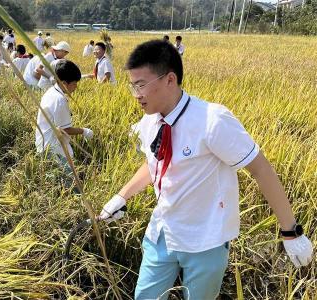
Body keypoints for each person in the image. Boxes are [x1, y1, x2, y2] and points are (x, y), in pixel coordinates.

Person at [98, 40, 313, 300]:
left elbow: (260, 169)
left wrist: (290, 231)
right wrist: (121, 197)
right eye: (133, 85)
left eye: (141, 84)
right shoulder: (150, 121)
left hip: (206, 239)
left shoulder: (212, 120)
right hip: (163, 232)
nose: (136, 93)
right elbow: (154, 162)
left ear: (169, 79)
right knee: (145, 296)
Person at [35, 59, 93, 180]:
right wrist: (84, 131)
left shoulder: (51, 91)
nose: (76, 87)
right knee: (69, 182)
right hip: (52, 150)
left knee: (54, 180)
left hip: (45, 143)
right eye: (74, 83)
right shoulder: (59, 100)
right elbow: (65, 129)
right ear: (63, 83)